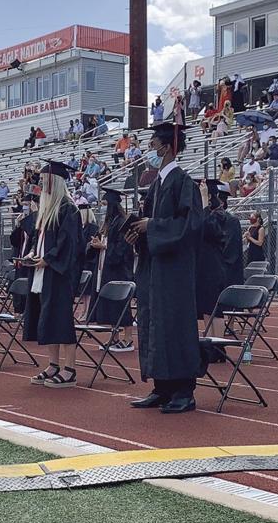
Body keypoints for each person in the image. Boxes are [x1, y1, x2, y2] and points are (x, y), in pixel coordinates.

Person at [127, 122, 203, 413]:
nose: (150, 148)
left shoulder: (184, 183)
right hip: (154, 268)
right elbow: (149, 226)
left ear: (168, 146)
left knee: (174, 326)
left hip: (175, 273)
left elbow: (190, 226)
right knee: (152, 324)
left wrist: (153, 226)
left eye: (154, 143)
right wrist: (137, 233)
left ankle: (183, 390)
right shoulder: (157, 184)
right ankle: (162, 386)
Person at [23, 160, 83, 389]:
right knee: (47, 318)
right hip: (43, 271)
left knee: (62, 320)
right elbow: (39, 241)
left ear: (54, 182)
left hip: (59, 273)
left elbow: (68, 243)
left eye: (45, 180)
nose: (41, 184)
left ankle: (70, 369)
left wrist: (48, 258)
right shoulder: (48, 210)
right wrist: (32, 254)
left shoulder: (68, 208)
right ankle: (53, 365)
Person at [88, 187, 135, 351]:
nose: (104, 207)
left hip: (119, 269)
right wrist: (97, 243)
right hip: (106, 268)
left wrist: (104, 245)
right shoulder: (109, 223)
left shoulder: (122, 222)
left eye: (106, 203)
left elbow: (123, 247)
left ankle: (128, 339)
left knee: (121, 303)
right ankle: (114, 338)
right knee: (111, 304)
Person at [196, 179, 243, 337]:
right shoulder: (209, 215)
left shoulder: (221, 217)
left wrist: (203, 202)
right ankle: (210, 344)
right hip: (205, 269)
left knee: (215, 310)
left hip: (215, 269)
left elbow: (209, 228)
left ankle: (217, 346)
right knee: (208, 309)